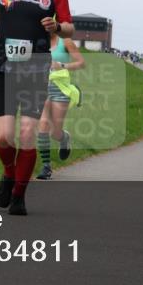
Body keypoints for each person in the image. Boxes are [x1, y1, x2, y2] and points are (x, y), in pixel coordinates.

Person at [0, 0, 72, 215]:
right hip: (5, 65)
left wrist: (56, 27)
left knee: (26, 133)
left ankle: (19, 195)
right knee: (4, 136)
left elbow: (69, 26)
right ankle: (9, 173)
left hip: (35, 66)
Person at [36, 32, 84, 179]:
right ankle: (46, 166)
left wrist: (62, 65)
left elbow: (81, 62)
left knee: (54, 132)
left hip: (60, 89)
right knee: (43, 124)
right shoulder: (35, 40)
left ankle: (64, 138)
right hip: (40, 87)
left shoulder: (66, 42)